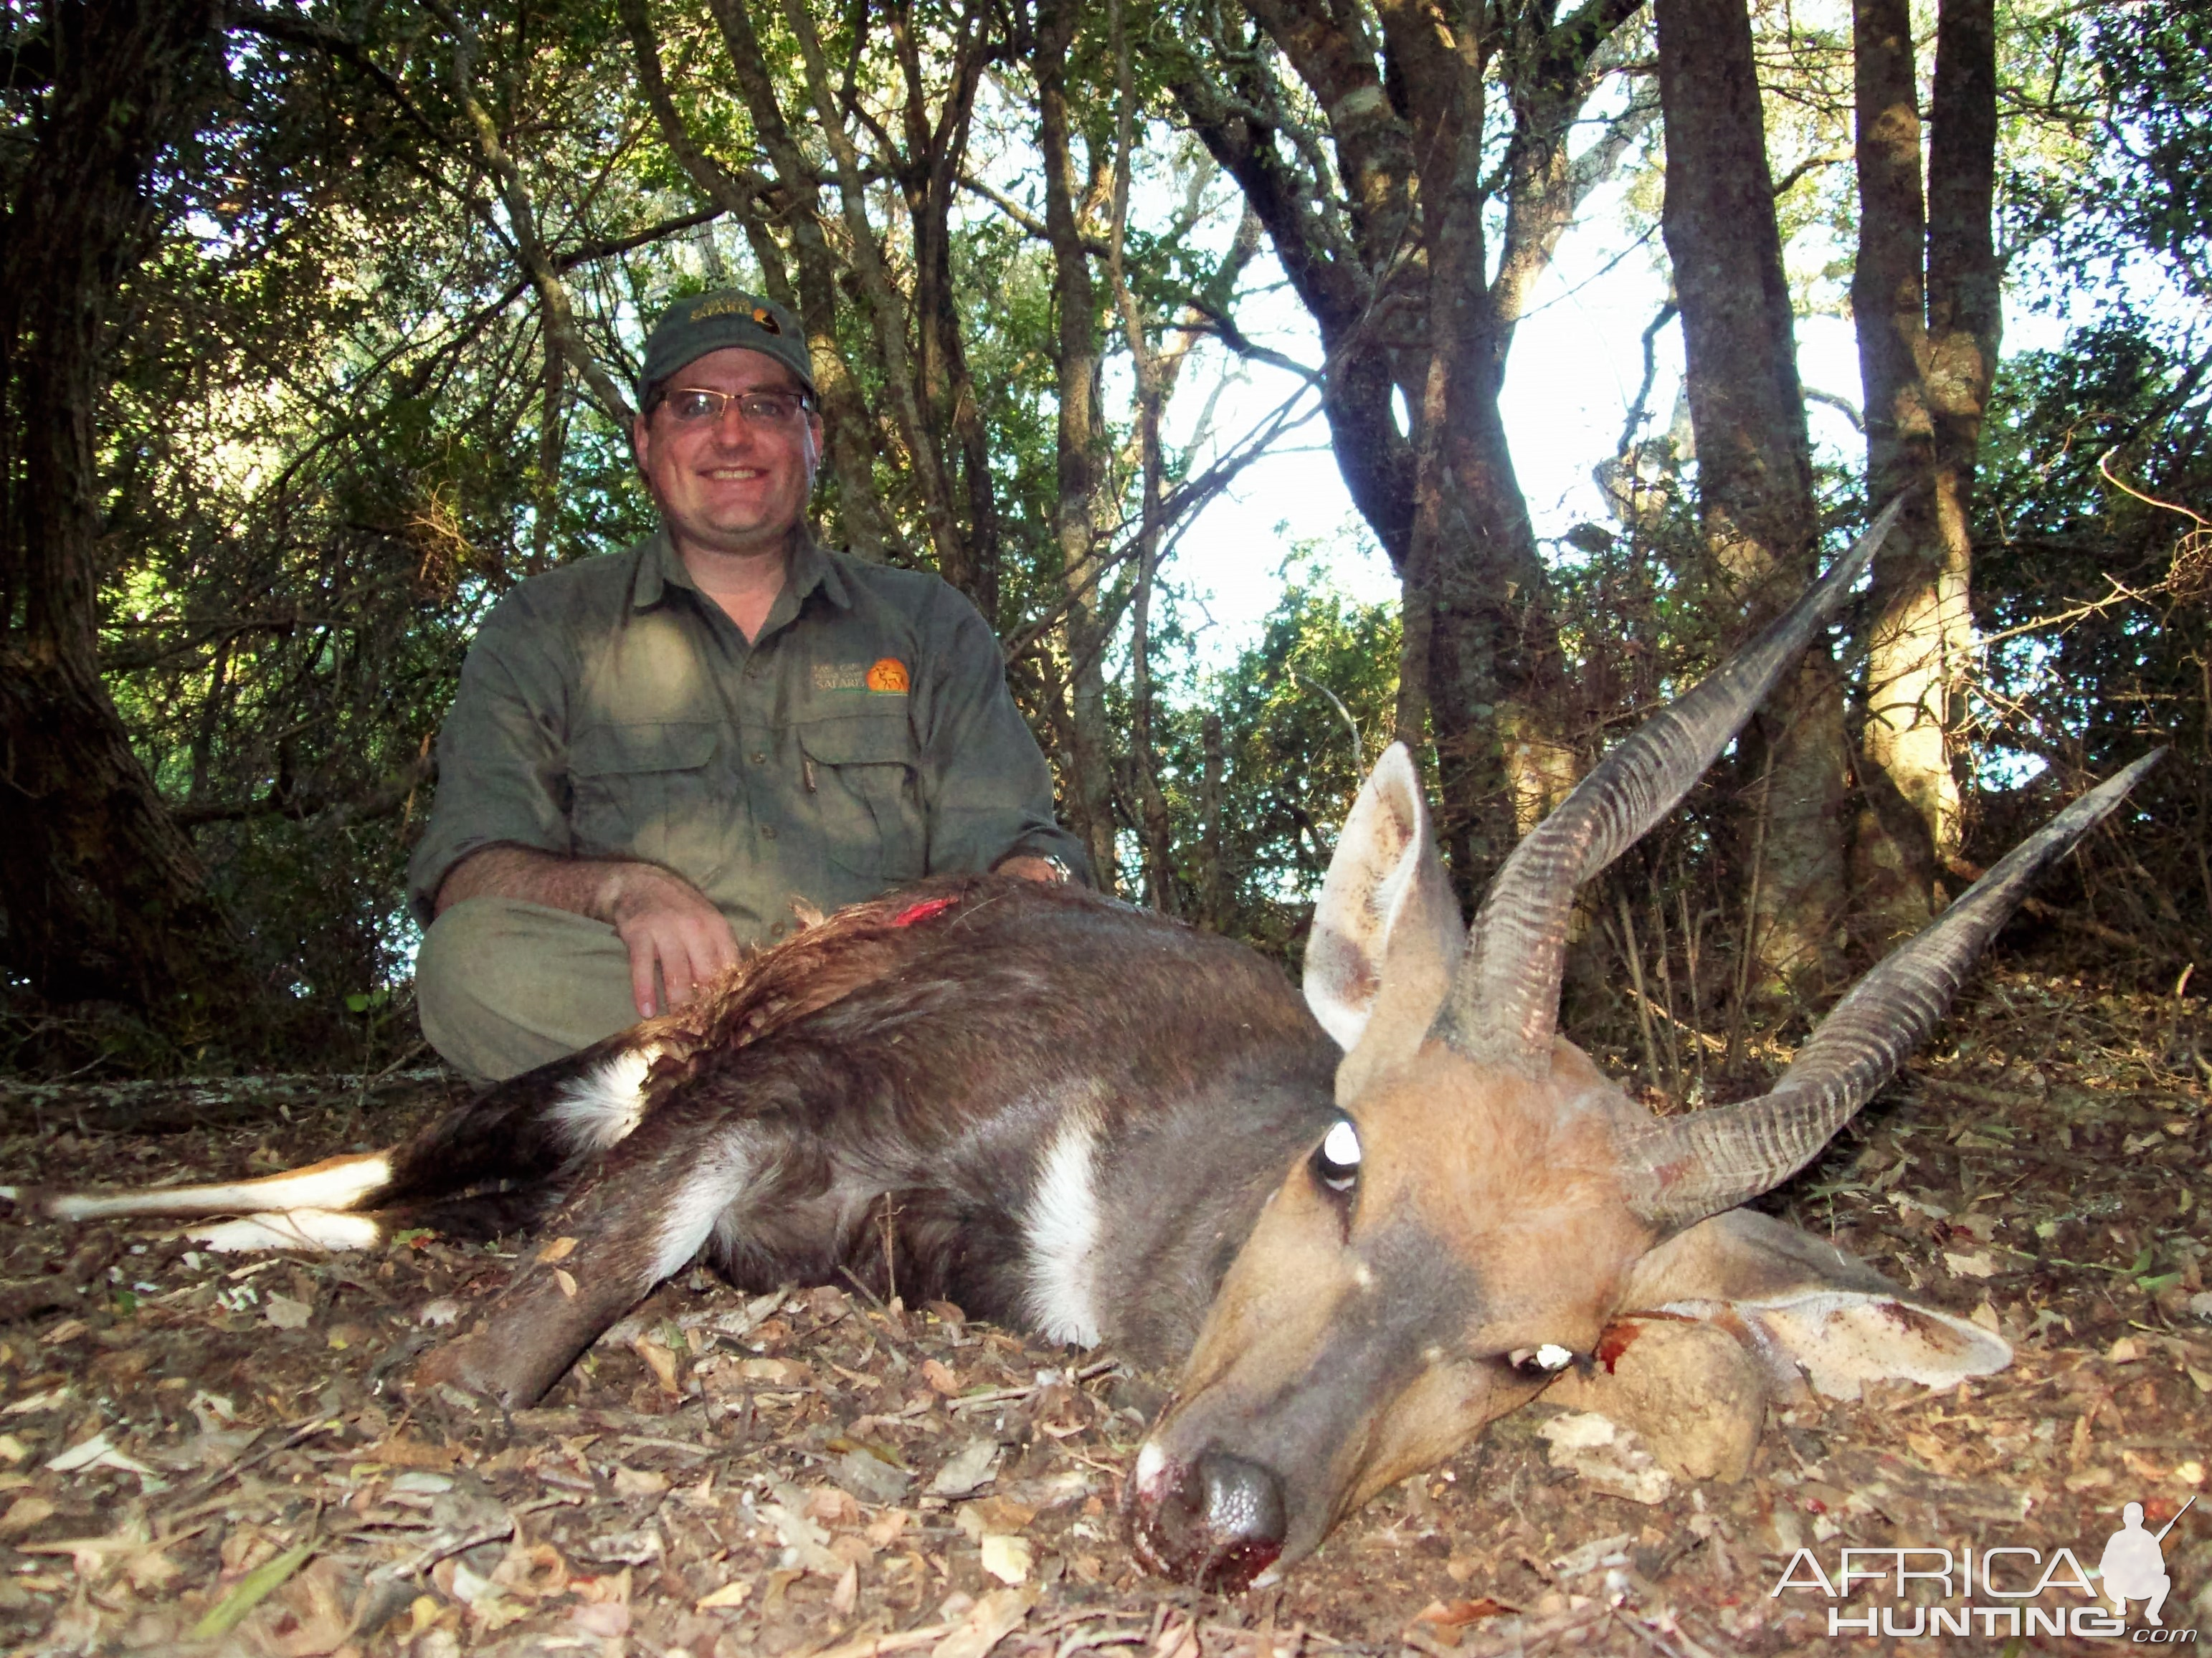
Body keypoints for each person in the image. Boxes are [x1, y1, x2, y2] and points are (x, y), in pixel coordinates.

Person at [408, 288, 1086, 1083]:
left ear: (813, 437)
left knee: (1089, 959)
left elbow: (1012, 846)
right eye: (695, 405)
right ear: (643, 438)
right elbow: (469, 870)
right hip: (662, 1024)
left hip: (893, 1018)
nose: (732, 435)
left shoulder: (928, 625)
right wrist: (623, 891)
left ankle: (748, 1135)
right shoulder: (544, 627)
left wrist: (1031, 888)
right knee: (468, 963)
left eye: (766, 406)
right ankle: (807, 1124)